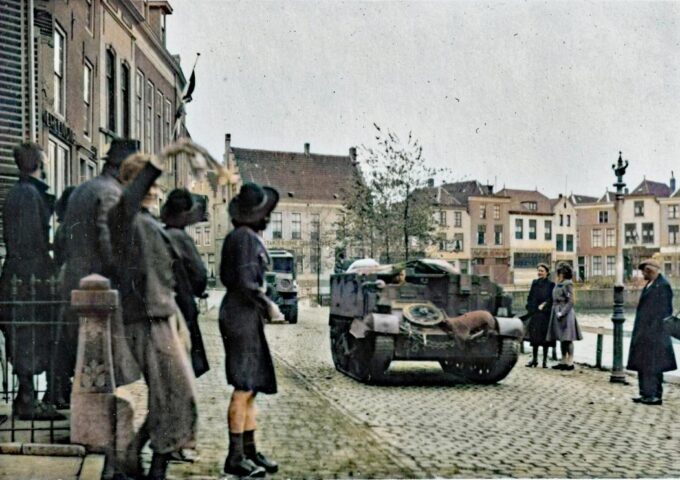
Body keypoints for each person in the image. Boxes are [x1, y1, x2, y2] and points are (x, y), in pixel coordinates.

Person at [108, 141, 202, 480]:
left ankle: (142, 456)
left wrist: (179, 321)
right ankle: (153, 467)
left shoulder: (149, 224)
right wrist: (164, 158)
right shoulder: (123, 217)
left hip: (163, 315)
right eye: (151, 183)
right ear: (137, 185)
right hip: (145, 319)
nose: (158, 189)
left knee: (173, 395)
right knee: (175, 394)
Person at [54, 139, 142, 408]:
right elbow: (109, 245)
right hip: (99, 289)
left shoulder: (83, 189)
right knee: (102, 360)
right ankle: (96, 420)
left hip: (73, 281)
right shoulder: (111, 194)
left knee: (80, 356)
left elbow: (64, 241)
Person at [220, 182, 281, 477]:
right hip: (241, 315)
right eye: (265, 212)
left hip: (244, 314)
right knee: (243, 386)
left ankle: (249, 451)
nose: (268, 217)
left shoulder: (243, 236)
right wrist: (268, 304)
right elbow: (246, 282)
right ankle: (235, 457)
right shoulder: (244, 238)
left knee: (251, 387)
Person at [0, 142, 62, 420]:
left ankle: (31, 396)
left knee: (27, 333)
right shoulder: (27, 194)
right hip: (28, 277)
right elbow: (29, 240)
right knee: (28, 333)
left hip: (23, 274)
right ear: (39, 163)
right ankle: (27, 398)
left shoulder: (21, 192)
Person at [161, 188, 210, 378]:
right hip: (181, 307)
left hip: (158, 308)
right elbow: (199, 276)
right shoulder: (181, 238)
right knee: (183, 367)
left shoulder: (159, 233)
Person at [627, 258, 677, 405]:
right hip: (644, 333)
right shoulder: (650, 285)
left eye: (644, 271)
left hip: (655, 334)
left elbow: (665, 311)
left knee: (654, 365)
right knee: (644, 364)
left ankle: (654, 395)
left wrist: (654, 329)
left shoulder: (663, 286)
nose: (642, 274)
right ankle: (645, 393)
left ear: (650, 271)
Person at [546, 262, 582, 371]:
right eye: (559, 272)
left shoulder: (568, 284)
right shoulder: (558, 283)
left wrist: (562, 312)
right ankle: (563, 360)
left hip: (566, 314)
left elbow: (571, 301)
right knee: (561, 338)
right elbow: (554, 299)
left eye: (561, 272)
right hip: (557, 311)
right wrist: (556, 311)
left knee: (568, 338)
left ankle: (570, 361)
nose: (559, 274)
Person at [524, 263, 555, 368]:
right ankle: (535, 359)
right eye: (538, 271)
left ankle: (545, 361)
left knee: (545, 338)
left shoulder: (551, 285)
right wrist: (530, 307)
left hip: (545, 314)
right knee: (535, 337)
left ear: (547, 272)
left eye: (542, 271)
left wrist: (545, 305)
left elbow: (551, 298)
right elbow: (530, 296)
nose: (540, 273)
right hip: (536, 314)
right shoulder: (535, 283)